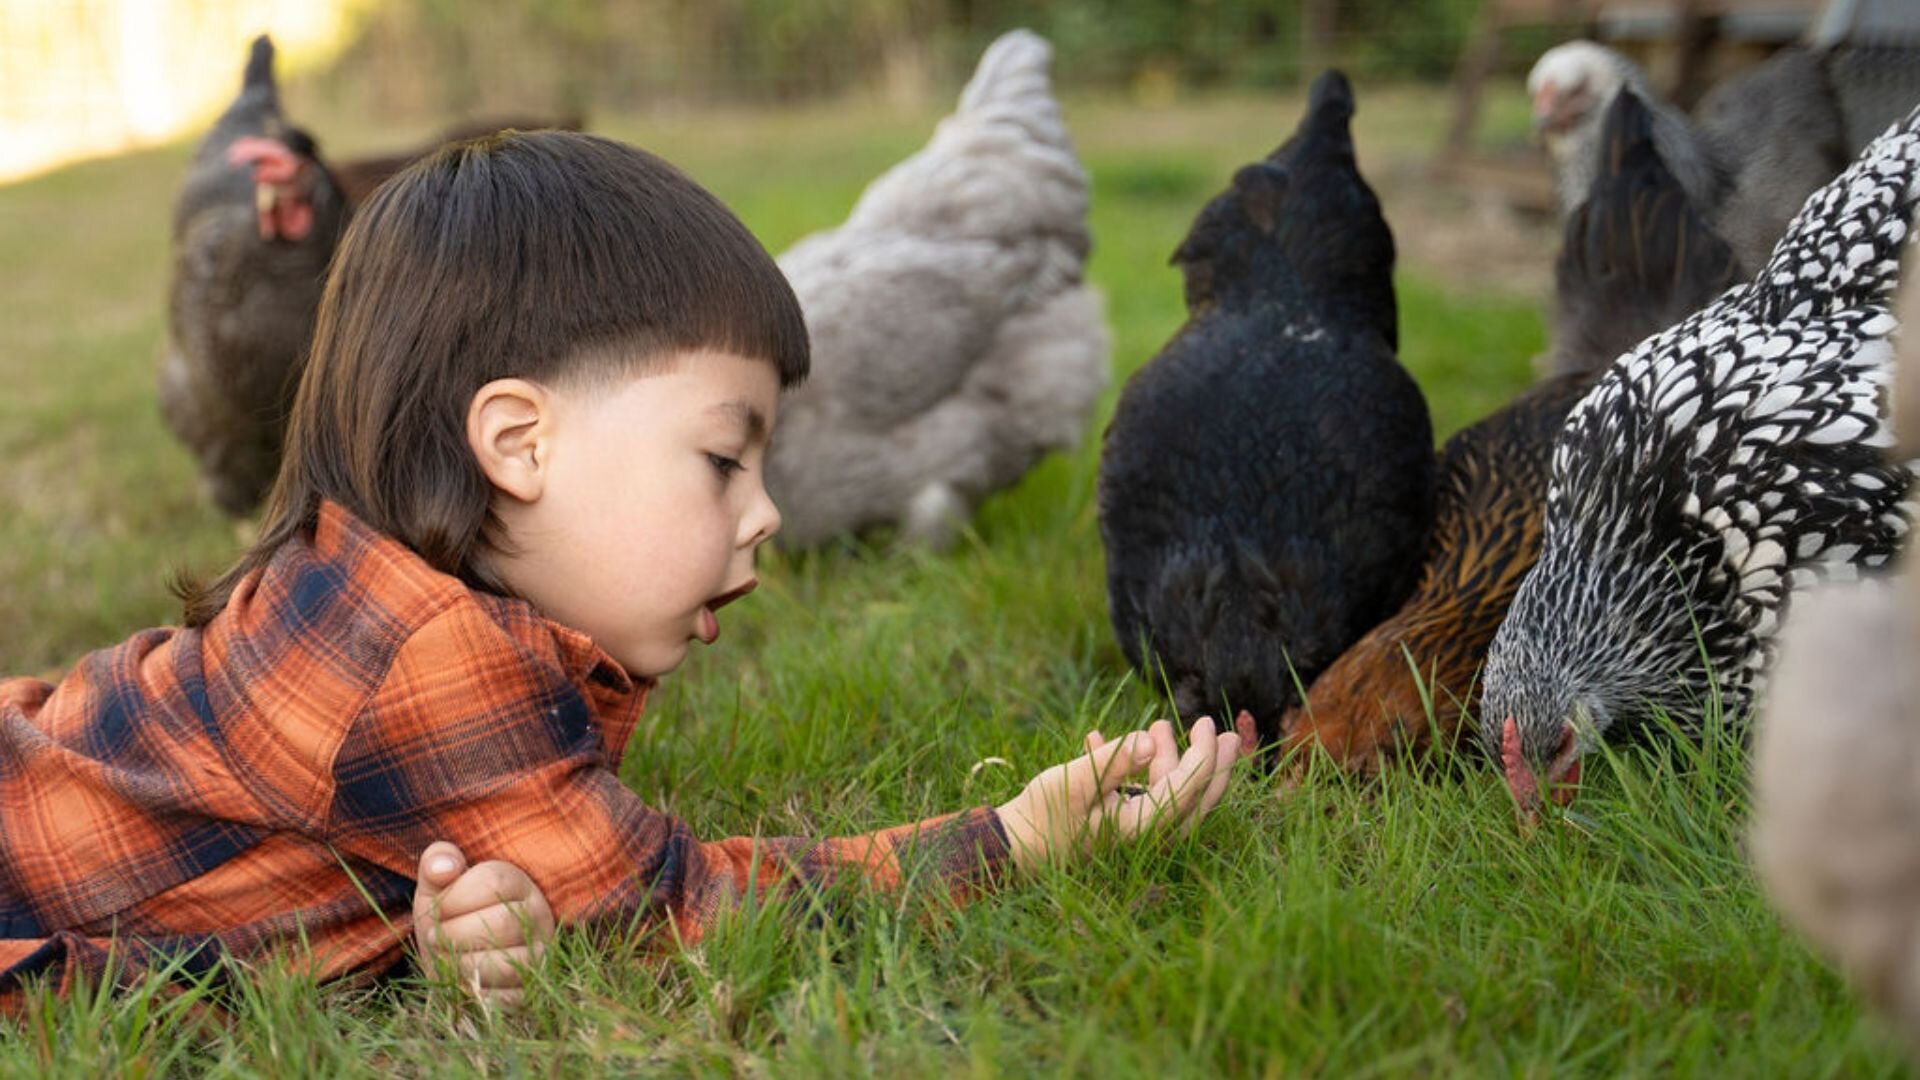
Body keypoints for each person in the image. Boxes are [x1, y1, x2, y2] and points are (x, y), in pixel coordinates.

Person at [0, 131, 1240, 1009]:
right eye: (720, 460)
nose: (764, 515)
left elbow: (478, 850)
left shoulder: (386, 602)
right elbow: (673, 914)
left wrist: (451, 917)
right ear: (519, 445)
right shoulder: (428, 657)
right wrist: (1015, 837)